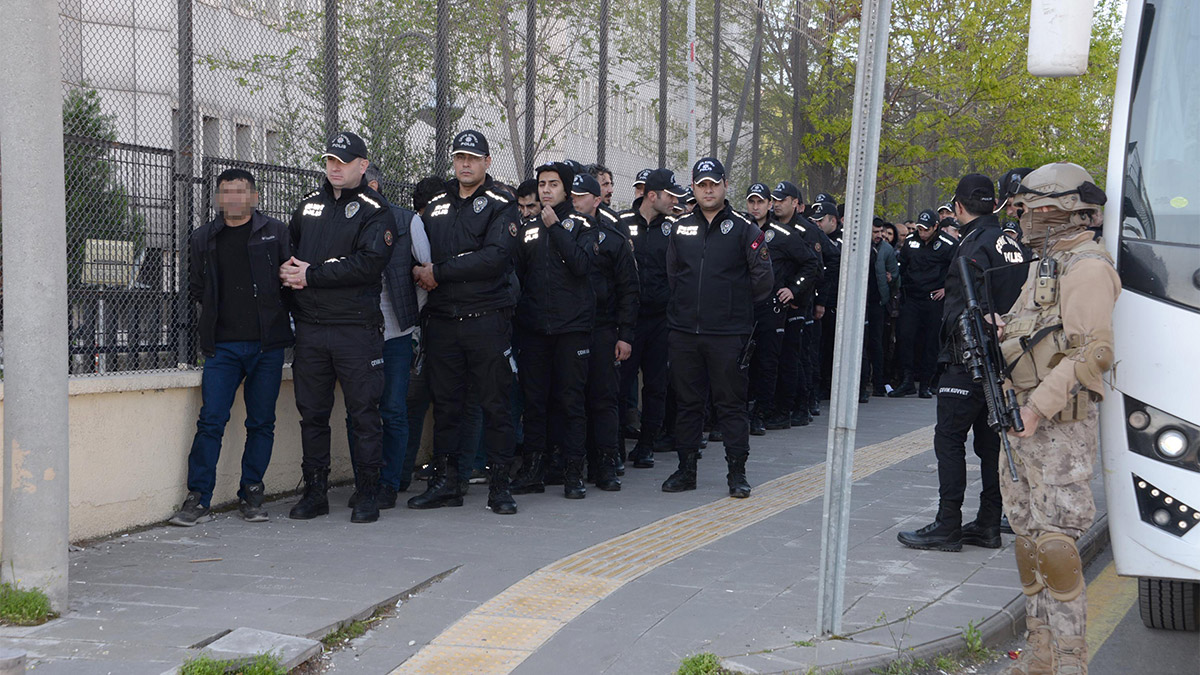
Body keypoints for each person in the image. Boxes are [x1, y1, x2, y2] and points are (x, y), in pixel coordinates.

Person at [998, 162, 1117, 675]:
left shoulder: (1086, 266)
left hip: (1057, 426)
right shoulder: (1046, 263)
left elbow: (1093, 353)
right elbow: (1036, 332)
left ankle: (1071, 662)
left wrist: (1035, 407)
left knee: (1057, 548)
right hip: (1021, 422)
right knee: (1028, 543)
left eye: (1027, 208)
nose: (1021, 217)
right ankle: (1040, 655)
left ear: (1057, 209)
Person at [897, 174, 1028, 552]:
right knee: (990, 445)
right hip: (1006, 361)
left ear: (957, 206)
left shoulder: (971, 244)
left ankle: (948, 523)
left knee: (949, 439)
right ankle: (988, 522)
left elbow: (963, 308)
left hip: (968, 358)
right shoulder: (1011, 243)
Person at [281, 131, 397, 524]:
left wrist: (311, 275)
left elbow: (368, 263)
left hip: (355, 329)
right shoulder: (308, 205)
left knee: (364, 414)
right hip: (311, 329)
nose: (334, 167)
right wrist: (288, 271)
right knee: (312, 414)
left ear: (362, 166)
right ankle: (315, 493)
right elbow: (291, 254)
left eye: (343, 162)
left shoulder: (375, 209)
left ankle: (367, 493)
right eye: (330, 160)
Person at [169, 169, 293, 527]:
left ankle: (252, 493)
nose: (233, 198)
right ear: (218, 198)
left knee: (261, 422)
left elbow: (290, 281)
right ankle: (198, 499)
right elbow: (196, 287)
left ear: (254, 197)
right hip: (222, 347)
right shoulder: (203, 237)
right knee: (211, 421)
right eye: (226, 192)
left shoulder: (276, 233)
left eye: (240, 191)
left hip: (267, 346)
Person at [407, 129, 520, 515]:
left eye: (473, 157)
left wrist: (439, 271)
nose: (465, 164)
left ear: (487, 162)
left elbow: (494, 257)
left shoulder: (501, 203)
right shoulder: (437, 204)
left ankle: (500, 486)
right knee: (446, 406)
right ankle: (446, 483)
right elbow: (418, 253)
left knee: (495, 404)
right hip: (443, 321)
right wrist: (421, 270)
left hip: (486, 320)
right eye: (459, 157)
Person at [663, 158, 773, 497]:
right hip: (685, 332)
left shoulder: (744, 228)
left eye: (714, 184)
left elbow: (763, 280)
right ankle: (686, 470)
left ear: (725, 185)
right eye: (702, 185)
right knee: (687, 404)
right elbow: (673, 274)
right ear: (693, 188)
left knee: (731, 405)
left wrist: (731, 307)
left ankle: (737, 473)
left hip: (728, 334)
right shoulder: (681, 228)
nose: (708, 190)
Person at [341, 163, 431, 511]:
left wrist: (408, 316)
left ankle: (389, 483)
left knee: (393, 410)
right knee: (358, 412)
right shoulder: (342, 218)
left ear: (373, 186)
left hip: (395, 333)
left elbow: (426, 273)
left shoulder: (407, 221)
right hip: (356, 333)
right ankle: (365, 482)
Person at [509, 161, 595, 499]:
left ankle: (573, 472)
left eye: (553, 184)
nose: (546, 190)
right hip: (534, 329)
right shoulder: (528, 228)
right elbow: (517, 274)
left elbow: (582, 265)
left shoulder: (582, 225)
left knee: (570, 401)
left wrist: (556, 228)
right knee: (534, 402)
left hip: (571, 328)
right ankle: (533, 469)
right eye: (542, 184)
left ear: (566, 189)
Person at [572, 173, 640, 491]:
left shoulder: (612, 238)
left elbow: (628, 289)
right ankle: (572, 464)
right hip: (570, 329)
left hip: (602, 329)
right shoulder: (560, 232)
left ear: (597, 200)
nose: (574, 200)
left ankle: (606, 463)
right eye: (571, 194)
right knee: (573, 400)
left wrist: (625, 334)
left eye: (580, 195)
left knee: (604, 399)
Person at [619, 169, 684, 469]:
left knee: (656, 385)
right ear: (652, 195)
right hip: (629, 319)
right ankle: (615, 447)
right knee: (620, 385)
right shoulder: (622, 222)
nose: (675, 201)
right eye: (670, 196)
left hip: (661, 319)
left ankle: (646, 446)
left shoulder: (675, 228)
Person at [744, 182, 820, 434]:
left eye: (761, 202)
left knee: (769, 362)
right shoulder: (739, 229)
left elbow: (811, 263)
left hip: (771, 308)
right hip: (742, 307)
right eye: (751, 202)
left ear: (769, 204)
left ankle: (762, 414)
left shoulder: (783, 234)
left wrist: (793, 289)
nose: (756, 207)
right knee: (741, 362)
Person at [890, 209, 956, 399]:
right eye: (920, 229)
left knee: (930, 342)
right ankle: (907, 381)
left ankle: (926, 383)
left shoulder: (948, 244)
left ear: (936, 226)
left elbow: (956, 271)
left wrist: (946, 289)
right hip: (912, 298)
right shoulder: (911, 241)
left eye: (926, 229)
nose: (923, 232)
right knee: (905, 338)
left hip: (933, 300)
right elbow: (902, 265)